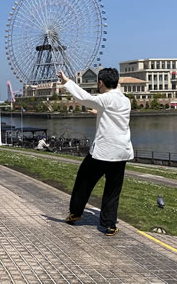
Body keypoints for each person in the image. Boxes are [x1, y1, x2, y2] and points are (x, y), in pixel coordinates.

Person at [57, 68, 134, 236]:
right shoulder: (125, 100)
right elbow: (113, 114)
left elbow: (85, 98)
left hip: (103, 152)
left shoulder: (105, 99)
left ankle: (76, 213)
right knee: (113, 189)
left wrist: (67, 82)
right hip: (121, 152)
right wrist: (99, 112)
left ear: (100, 82)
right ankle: (109, 225)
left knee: (83, 181)